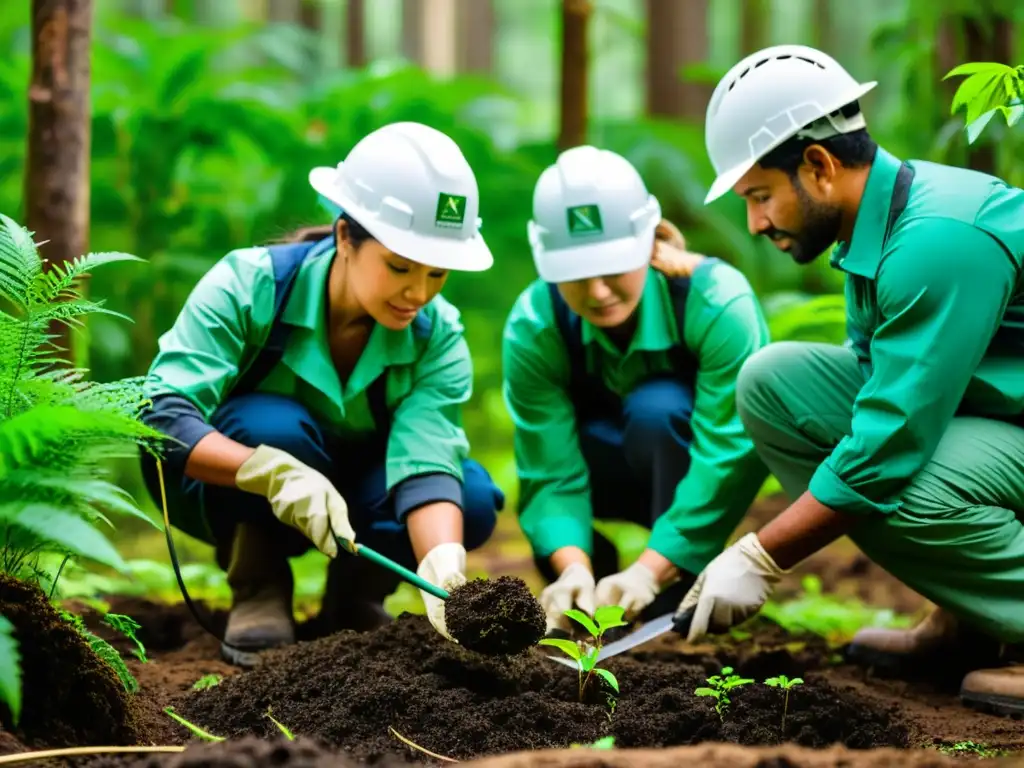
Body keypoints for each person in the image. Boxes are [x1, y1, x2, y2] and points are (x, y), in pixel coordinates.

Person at [674, 43, 1024, 716]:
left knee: (903, 481)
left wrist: (762, 554)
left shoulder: (937, 239)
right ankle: (972, 616)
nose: (753, 224)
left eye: (760, 196)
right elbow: (875, 390)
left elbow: (887, 448)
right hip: (1001, 419)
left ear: (819, 166)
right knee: (773, 384)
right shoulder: (883, 224)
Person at [139, 121, 505, 667]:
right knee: (273, 426)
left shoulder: (438, 334)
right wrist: (271, 472)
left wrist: (442, 570)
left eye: (437, 273)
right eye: (400, 266)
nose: (418, 293)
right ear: (344, 239)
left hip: (354, 488)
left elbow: (426, 461)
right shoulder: (247, 285)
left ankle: (355, 595)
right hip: (219, 482)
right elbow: (162, 418)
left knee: (469, 498)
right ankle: (258, 585)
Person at [502, 144, 772, 636]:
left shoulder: (715, 302)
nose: (598, 291)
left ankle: (677, 576)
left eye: (613, 267)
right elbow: (548, 467)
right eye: (576, 276)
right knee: (575, 564)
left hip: (683, 475)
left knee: (658, 409)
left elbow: (728, 454)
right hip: (593, 472)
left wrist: (652, 569)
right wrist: (572, 568)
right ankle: (589, 564)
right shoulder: (536, 324)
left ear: (649, 244)